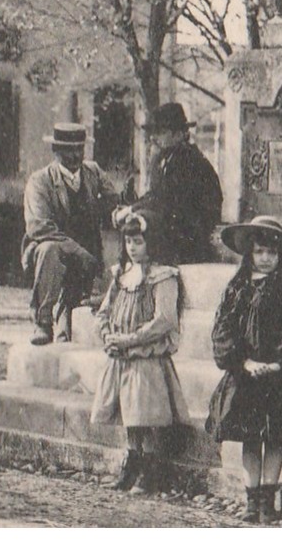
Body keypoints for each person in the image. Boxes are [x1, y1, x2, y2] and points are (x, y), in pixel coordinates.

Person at [206, 215, 282, 524]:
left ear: (280, 255)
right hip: (248, 375)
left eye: (271, 252)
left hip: (280, 375)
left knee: (276, 436)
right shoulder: (238, 288)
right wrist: (244, 362)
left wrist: (280, 362)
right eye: (259, 252)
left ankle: (268, 498)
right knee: (251, 439)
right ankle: (251, 497)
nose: (266, 258)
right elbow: (223, 330)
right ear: (250, 254)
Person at [90, 207, 189, 496]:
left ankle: (151, 469)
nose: (132, 248)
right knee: (129, 414)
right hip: (122, 355)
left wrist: (131, 340)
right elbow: (105, 310)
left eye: (139, 242)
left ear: (152, 242)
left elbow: (164, 319)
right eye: (128, 242)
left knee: (145, 411)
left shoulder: (162, 276)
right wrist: (107, 334)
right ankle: (131, 462)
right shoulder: (122, 274)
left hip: (146, 355)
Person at [21, 123, 116, 345]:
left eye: (79, 149)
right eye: (67, 150)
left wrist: (123, 204)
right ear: (55, 151)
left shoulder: (93, 173)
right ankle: (42, 322)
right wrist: (78, 251)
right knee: (49, 249)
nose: (74, 155)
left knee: (72, 333)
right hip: (54, 257)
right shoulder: (40, 181)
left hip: (89, 257)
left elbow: (113, 202)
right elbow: (40, 228)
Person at [135, 102, 223, 264]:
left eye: (161, 132)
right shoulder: (163, 159)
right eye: (154, 132)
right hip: (171, 236)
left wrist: (135, 210)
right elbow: (155, 194)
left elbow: (166, 201)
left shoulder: (191, 162)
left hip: (189, 243)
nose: (154, 138)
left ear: (179, 134)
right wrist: (132, 208)